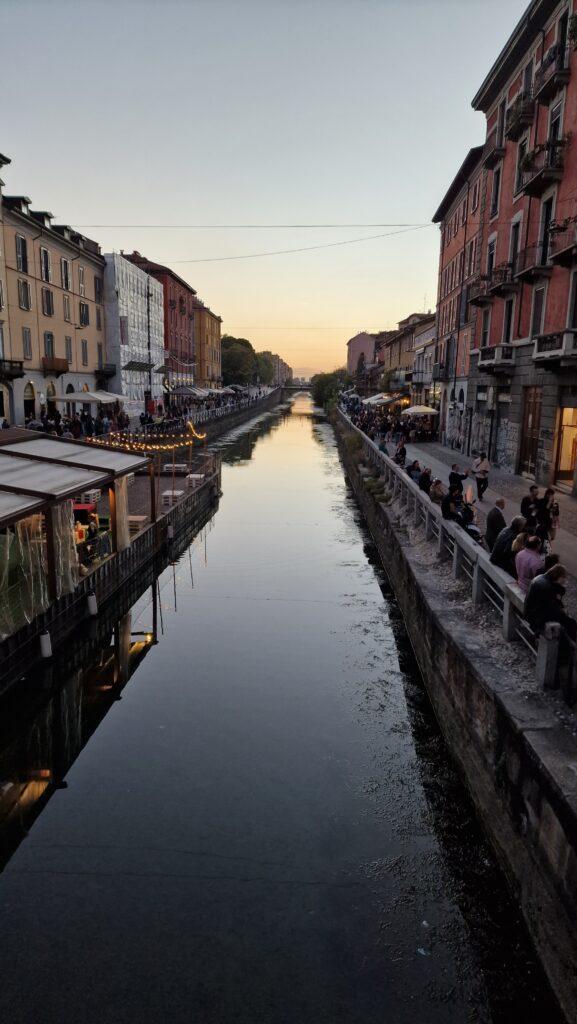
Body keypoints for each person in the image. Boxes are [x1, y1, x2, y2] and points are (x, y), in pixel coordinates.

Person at [524, 564, 576, 641]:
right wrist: (563, 612)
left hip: (530, 611)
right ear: (558, 576)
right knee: (571, 623)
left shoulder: (541, 577)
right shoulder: (547, 587)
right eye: (564, 577)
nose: (565, 580)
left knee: (568, 621)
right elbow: (551, 608)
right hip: (535, 617)